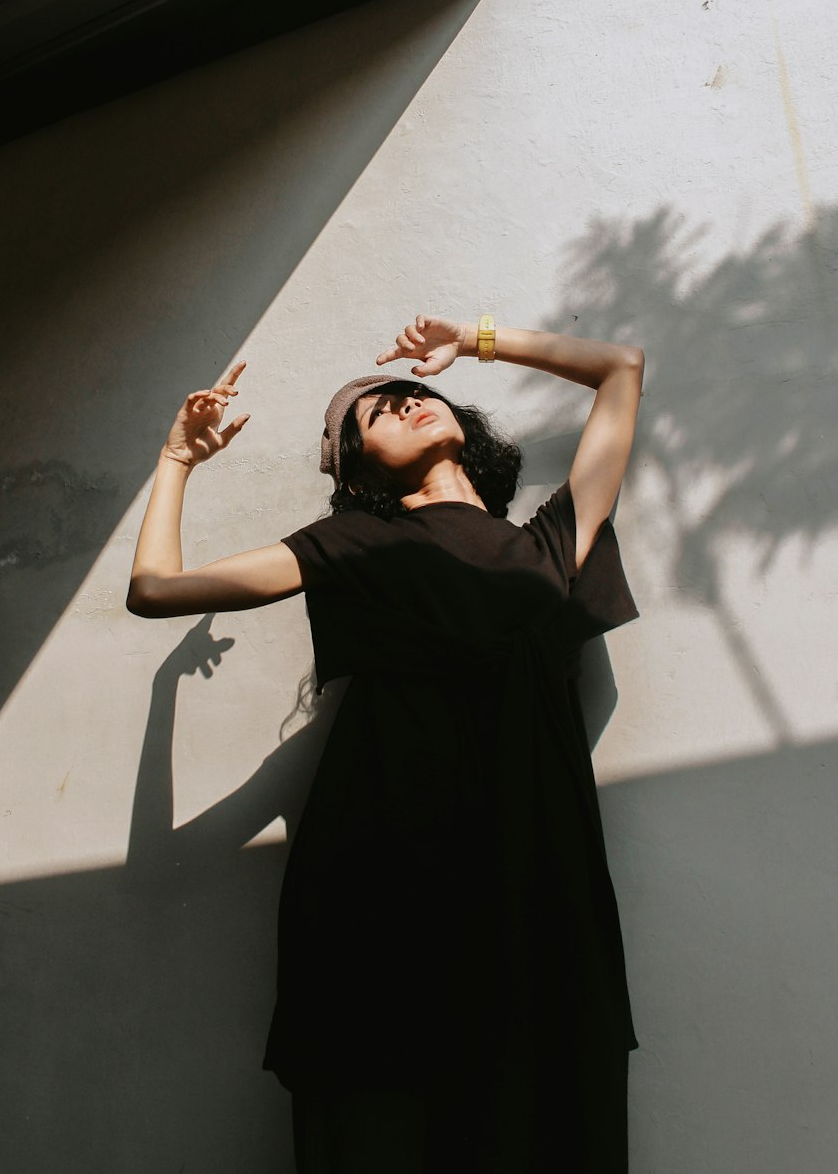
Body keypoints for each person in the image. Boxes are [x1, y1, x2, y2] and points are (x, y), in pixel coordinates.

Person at [127, 314, 645, 1173]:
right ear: (360, 469)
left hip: (540, 882)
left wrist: (477, 340)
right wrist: (177, 460)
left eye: (417, 395)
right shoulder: (354, 542)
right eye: (378, 413)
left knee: (554, 1116)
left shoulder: (553, 544)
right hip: (384, 887)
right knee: (388, 1129)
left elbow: (621, 369)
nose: (406, 404)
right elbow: (155, 589)